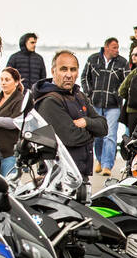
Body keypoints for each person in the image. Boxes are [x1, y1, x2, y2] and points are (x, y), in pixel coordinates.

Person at [33, 50, 107, 180]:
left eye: (73, 70)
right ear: (53, 71)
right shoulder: (50, 101)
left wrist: (86, 122)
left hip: (79, 173)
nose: (68, 75)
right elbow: (72, 137)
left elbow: (103, 127)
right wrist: (93, 133)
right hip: (58, 177)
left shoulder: (79, 95)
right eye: (63, 69)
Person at [82, 37, 129, 175]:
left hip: (113, 105)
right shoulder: (93, 59)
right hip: (95, 103)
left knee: (110, 135)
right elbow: (85, 76)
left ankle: (107, 165)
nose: (117, 50)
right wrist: (89, 92)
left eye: (118, 47)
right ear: (106, 47)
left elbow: (126, 82)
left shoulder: (122, 62)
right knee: (97, 135)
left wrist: (118, 95)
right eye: (114, 47)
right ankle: (100, 160)